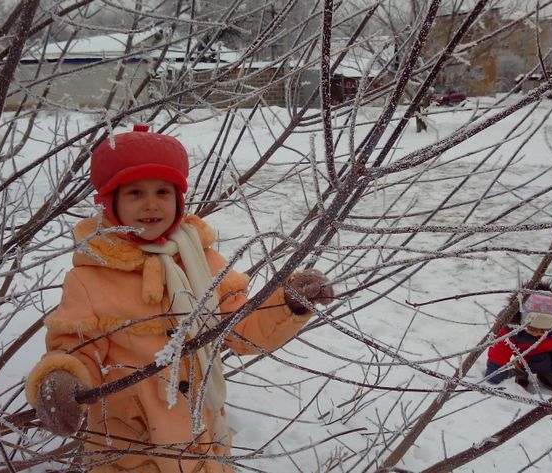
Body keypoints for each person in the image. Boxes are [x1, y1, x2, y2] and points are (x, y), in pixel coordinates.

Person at [25, 125, 334, 472]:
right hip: (129, 444)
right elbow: (76, 348)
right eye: (135, 193)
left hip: (202, 435)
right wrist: (62, 378)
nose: (151, 204)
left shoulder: (205, 263)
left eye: (162, 191)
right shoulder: (89, 277)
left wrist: (287, 301)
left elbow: (242, 330)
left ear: (179, 199)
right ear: (111, 203)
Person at [485, 282, 552, 391]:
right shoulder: (509, 325)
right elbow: (498, 354)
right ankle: (521, 371)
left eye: (544, 329)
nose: (537, 333)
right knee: (540, 360)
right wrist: (494, 381)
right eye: (532, 329)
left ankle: (549, 374)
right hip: (529, 353)